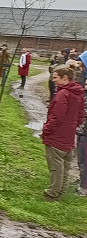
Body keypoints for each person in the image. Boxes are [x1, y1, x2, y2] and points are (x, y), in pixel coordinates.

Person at [42, 65, 85, 201]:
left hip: (57, 134)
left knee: (56, 165)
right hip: (69, 134)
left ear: (64, 78)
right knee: (65, 165)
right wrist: (71, 126)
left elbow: (57, 116)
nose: (53, 80)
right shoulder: (78, 93)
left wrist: (46, 129)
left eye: (55, 77)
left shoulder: (63, 93)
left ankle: (52, 192)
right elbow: (80, 115)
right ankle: (60, 190)